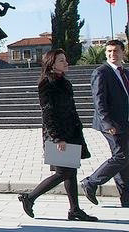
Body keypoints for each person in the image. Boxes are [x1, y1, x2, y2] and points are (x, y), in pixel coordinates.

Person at [17, 49, 97, 221]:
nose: (66, 62)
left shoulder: (65, 82)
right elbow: (48, 113)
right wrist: (56, 137)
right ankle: (29, 198)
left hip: (70, 132)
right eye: (61, 60)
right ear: (51, 64)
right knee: (62, 173)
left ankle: (74, 209)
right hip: (57, 135)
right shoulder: (47, 83)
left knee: (71, 172)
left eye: (65, 59)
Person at [81, 39, 129, 208]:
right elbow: (99, 100)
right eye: (109, 51)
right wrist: (107, 123)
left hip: (125, 121)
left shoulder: (125, 72)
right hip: (111, 124)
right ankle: (91, 182)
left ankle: (126, 198)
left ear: (123, 52)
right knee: (121, 156)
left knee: (124, 158)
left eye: (115, 51)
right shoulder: (101, 72)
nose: (112, 54)